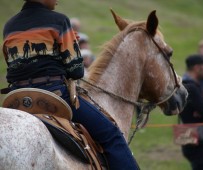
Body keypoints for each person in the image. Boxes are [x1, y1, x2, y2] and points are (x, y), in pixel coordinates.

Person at [2, 0, 139, 169]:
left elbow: (14, 64)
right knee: (111, 134)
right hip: (53, 94)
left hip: (17, 99)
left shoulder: (9, 25)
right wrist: (72, 44)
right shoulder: (59, 21)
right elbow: (76, 71)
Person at [180, 54, 203, 170]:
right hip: (201, 143)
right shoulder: (191, 88)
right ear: (197, 68)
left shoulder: (183, 85)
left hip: (191, 140)